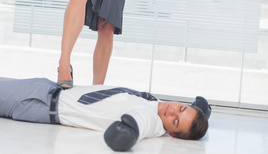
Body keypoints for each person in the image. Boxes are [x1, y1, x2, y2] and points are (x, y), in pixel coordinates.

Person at [0, 78, 211, 152]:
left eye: (175, 121)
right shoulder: (154, 102)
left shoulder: (151, 119)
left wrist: (127, 133)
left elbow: (137, 125)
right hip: (51, 87)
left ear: (172, 134)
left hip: (40, 102)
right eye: (182, 108)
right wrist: (201, 109)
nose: (172, 111)